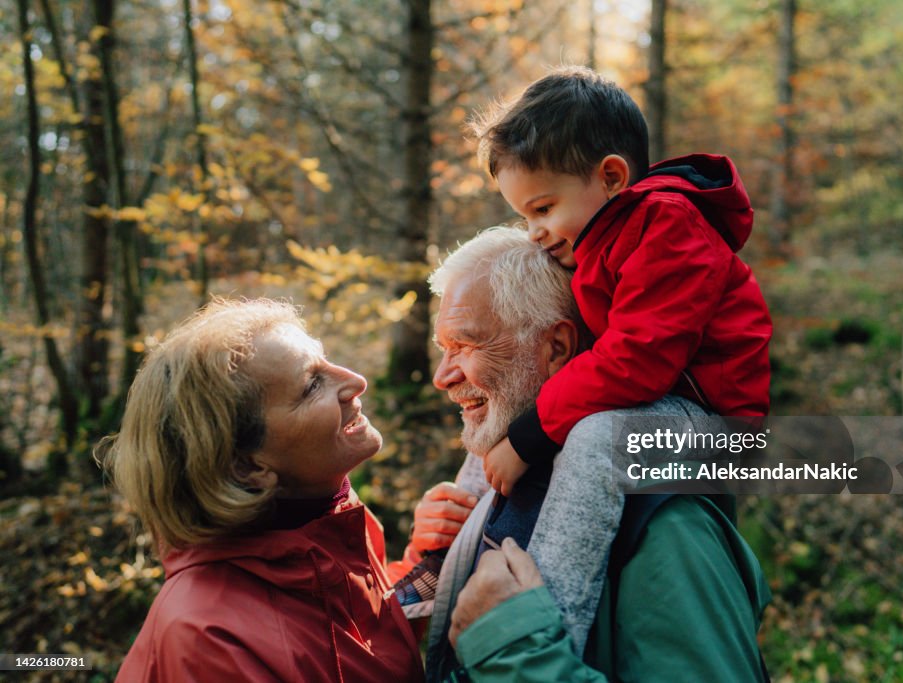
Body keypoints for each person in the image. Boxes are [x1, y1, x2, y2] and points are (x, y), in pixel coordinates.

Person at [464, 65, 773, 646]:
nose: (534, 231)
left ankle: (546, 628)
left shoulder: (669, 226)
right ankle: (440, 566)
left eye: (543, 208)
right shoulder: (604, 237)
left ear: (609, 177)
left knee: (593, 439)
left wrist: (532, 438)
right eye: (524, 216)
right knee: (504, 412)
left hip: (717, 426)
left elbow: (638, 359)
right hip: (665, 403)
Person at [419, 227, 771, 681]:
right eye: (442, 350)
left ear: (557, 348)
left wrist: (512, 646)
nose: (442, 377)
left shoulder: (666, 526)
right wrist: (433, 554)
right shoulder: (506, 475)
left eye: (464, 345)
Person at [95, 298, 424, 682]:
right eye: (312, 384)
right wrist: (493, 641)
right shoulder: (208, 638)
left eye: (326, 360)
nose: (355, 381)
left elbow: (356, 647)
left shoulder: (325, 526)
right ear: (248, 466)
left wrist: (427, 561)